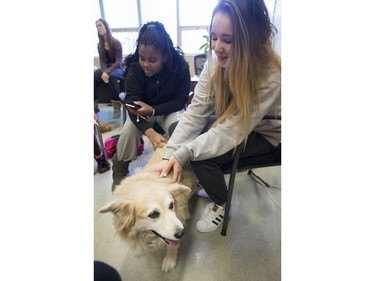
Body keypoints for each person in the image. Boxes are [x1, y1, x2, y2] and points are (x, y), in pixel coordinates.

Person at [148, 0, 281, 233]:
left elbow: (232, 130)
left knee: (199, 155)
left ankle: (222, 204)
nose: (217, 46)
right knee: (183, 134)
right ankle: (207, 178)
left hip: (266, 134)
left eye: (228, 40)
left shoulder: (270, 76)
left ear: (252, 41)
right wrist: (169, 156)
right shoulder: (214, 65)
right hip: (237, 124)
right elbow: (195, 113)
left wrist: (186, 152)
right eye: (214, 37)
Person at [111, 21, 191, 190]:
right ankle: (119, 170)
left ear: (165, 57)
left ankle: (173, 166)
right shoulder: (134, 69)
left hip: (170, 110)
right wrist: (150, 132)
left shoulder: (180, 66)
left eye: (153, 60)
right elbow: (133, 107)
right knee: (127, 132)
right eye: (142, 58)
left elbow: (181, 99)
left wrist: (154, 110)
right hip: (141, 113)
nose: (146, 64)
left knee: (179, 129)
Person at [94, 18, 124, 119]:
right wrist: (103, 71)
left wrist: (106, 72)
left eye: (100, 25)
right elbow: (102, 61)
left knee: (112, 77)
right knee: (93, 75)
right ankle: (94, 104)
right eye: (97, 26)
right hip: (106, 68)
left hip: (117, 67)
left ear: (106, 26)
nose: (98, 28)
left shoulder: (116, 43)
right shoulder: (99, 45)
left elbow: (118, 61)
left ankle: (116, 105)